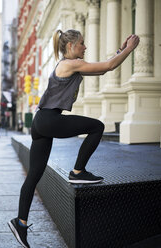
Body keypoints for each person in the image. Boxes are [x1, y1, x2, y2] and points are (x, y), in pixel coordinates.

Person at [8, 29, 140, 248]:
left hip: (41, 123)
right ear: (71, 46)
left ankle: (20, 223)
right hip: (49, 120)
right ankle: (78, 172)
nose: (85, 47)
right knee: (97, 127)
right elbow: (108, 66)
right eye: (82, 43)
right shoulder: (70, 64)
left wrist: (120, 50)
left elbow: (101, 69)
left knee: (33, 177)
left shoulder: (67, 64)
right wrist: (129, 49)